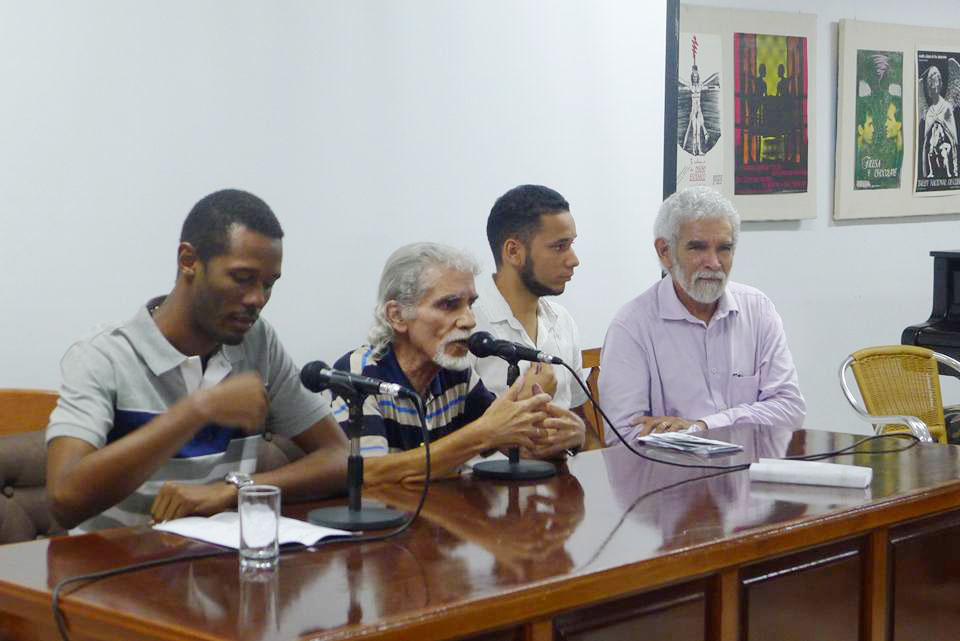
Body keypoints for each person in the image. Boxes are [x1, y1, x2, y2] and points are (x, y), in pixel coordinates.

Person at [46, 189, 349, 532]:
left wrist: (235, 489)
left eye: (269, 284)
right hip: (115, 561)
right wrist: (197, 410)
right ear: (189, 260)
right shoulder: (103, 355)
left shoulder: (258, 341)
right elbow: (64, 500)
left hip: (218, 560)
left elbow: (340, 457)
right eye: (242, 278)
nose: (257, 299)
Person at [329, 242, 584, 484]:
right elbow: (367, 474)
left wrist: (569, 437)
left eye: (470, 304)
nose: (469, 320)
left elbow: (516, 448)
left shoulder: (458, 372)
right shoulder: (358, 373)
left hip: (442, 512)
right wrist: (482, 434)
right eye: (449, 305)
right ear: (397, 316)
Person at [598, 186, 805, 445]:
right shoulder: (631, 326)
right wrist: (716, 432)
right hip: (672, 470)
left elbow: (790, 409)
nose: (714, 263)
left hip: (751, 467)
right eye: (698, 248)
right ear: (665, 252)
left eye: (724, 248)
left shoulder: (758, 309)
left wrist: (703, 427)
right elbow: (623, 436)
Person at [472, 184, 591, 453]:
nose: (574, 260)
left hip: (561, 475)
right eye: (559, 246)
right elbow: (460, 442)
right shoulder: (467, 325)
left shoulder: (562, 320)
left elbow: (579, 423)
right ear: (513, 252)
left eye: (571, 244)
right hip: (488, 478)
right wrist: (527, 402)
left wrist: (579, 436)